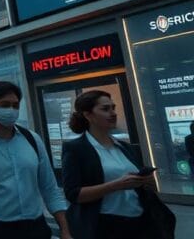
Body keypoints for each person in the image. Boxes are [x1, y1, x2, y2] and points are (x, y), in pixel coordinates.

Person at [0, 81, 72, 239]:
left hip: (35, 226)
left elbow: (49, 187)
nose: (11, 110)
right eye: (5, 105)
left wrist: (65, 229)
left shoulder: (32, 139)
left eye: (15, 105)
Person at [62, 90, 174, 239]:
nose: (113, 113)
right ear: (88, 115)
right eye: (105, 109)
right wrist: (116, 185)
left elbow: (146, 188)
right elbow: (73, 194)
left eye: (113, 108)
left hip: (141, 221)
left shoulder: (125, 147)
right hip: (105, 225)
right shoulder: (76, 149)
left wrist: (147, 181)